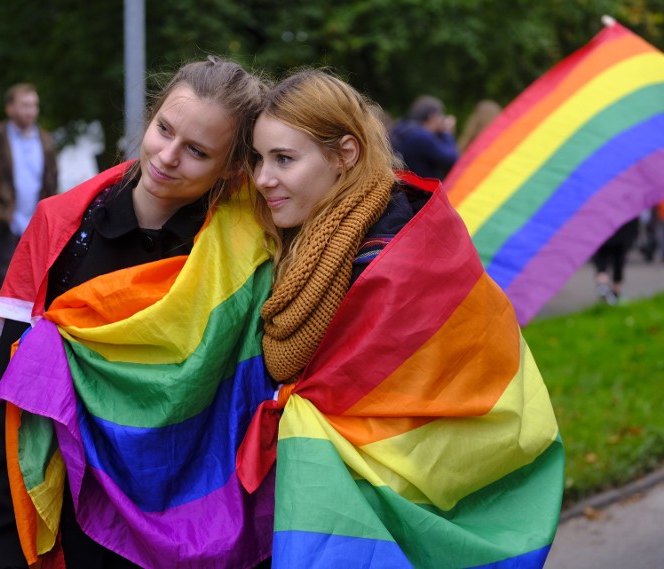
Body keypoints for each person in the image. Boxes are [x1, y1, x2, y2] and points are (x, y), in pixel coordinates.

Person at [242, 70, 562, 567]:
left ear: (345, 154)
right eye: (258, 159)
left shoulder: (397, 252)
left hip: (403, 508)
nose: (263, 178)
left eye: (284, 159)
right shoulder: (295, 237)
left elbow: (433, 390)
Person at [0, 57, 273, 569]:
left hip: (197, 515)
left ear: (231, 168)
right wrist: (3, 539)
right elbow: (12, 402)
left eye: (197, 151)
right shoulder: (59, 229)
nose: (167, 156)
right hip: (82, 511)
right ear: (152, 114)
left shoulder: (245, 256)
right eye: (164, 129)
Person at [0, 83, 59, 296]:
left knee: (39, 282)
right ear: (10, 108)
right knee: (6, 284)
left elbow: (52, 181)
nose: (31, 111)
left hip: (36, 222)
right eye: (25, 105)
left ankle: (32, 329)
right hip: (5, 224)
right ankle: (4, 330)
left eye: (34, 105)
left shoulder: (45, 140)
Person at [389, 94, 458, 179]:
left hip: (406, 185)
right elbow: (452, 159)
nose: (442, 120)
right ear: (432, 116)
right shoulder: (422, 136)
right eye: (441, 115)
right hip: (421, 189)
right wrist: (447, 132)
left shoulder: (403, 128)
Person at [592, 217, 639, 304]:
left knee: (601, 264)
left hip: (603, 237)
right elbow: (634, 224)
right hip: (621, 238)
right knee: (618, 265)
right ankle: (615, 295)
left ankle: (602, 286)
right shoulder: (626, 206)